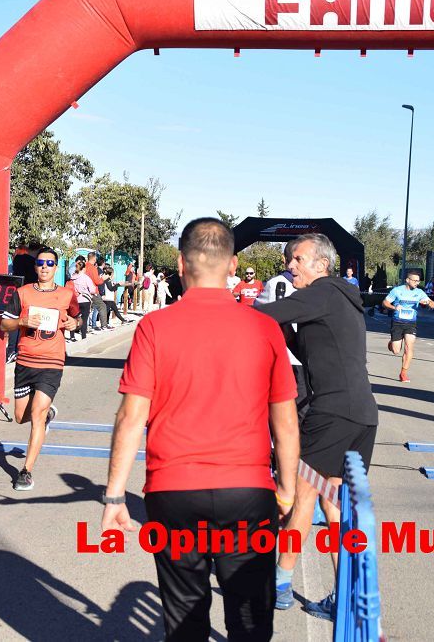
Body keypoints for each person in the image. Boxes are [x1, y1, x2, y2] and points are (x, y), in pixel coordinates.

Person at [103, 217, 299, 640]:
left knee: (185, 622)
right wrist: (286, 491)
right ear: (232, 266)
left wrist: (115, 494)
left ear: (179, 263)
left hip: (172, 492)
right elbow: (285, 422)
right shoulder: (264, 328)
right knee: (250, 621)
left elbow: (131, 417)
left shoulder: (154, 327)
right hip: (247, 490)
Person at [254, 233, 379, 620]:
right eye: (289, 260)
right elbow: (305, 345)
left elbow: (262, 317)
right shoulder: (339, 299)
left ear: (321, 265)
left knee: (301, 497)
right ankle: (342, 597)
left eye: (298, 260)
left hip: (334, 413)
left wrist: (219, 310)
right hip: (361, 414)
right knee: (332, 502)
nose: (290, 267)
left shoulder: (323, 291)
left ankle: (279, 584)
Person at [0, 247, 80, 491]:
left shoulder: (67, 294)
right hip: (25, 361)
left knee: (37, 414)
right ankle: (47, 415)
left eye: (50, 263)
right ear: (35, 267)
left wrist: (73, 323)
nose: (45, 267)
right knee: (20, 417)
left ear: (56, 267)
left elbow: (77, 319)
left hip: (52, 362)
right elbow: (4, 324)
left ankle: (26, 471)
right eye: (41, 263)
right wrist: (21, 321)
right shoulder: (22, 293)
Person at [382, 271, 434, 383]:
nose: (417, 282)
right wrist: (394, 307)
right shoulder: (397, 291)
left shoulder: (419, 292)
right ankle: (392, 343)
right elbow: (385, 303)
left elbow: (432, 303)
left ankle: (403, 373)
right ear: (407, 280)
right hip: (397, 322)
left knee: (409, 347)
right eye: (414, 280)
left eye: (418, 281)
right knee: (396, 351)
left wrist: (429, 303)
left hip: (411, 323)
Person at [85, 252, 110, 331]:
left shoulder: (85, 266)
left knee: (87, 310)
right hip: (93, 291)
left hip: (84, 291)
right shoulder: (92, 268)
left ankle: (86, 327)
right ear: (94, 258)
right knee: (102, 306)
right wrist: (103, 278)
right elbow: (97, 281)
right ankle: (104, 325)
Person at [71, 260, 95, 340]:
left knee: (74, 318)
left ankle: (72, 336)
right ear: (84, 268)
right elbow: (92, 289)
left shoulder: (72, 277)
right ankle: (83, 337)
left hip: (74, 300)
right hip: (85, 299)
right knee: (84, 319)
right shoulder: (85, 277)